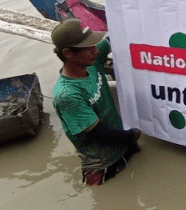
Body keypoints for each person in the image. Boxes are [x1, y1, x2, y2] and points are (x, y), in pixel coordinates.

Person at [51, 18, 141, 186]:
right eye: (87, 48)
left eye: (93, 45)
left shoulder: (90, 63)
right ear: (68, 54)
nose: (95, 51)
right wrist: (132, 135)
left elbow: (111, 39)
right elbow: (98, 133)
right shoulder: (68, 95)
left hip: (123, 143)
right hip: (104, 165)